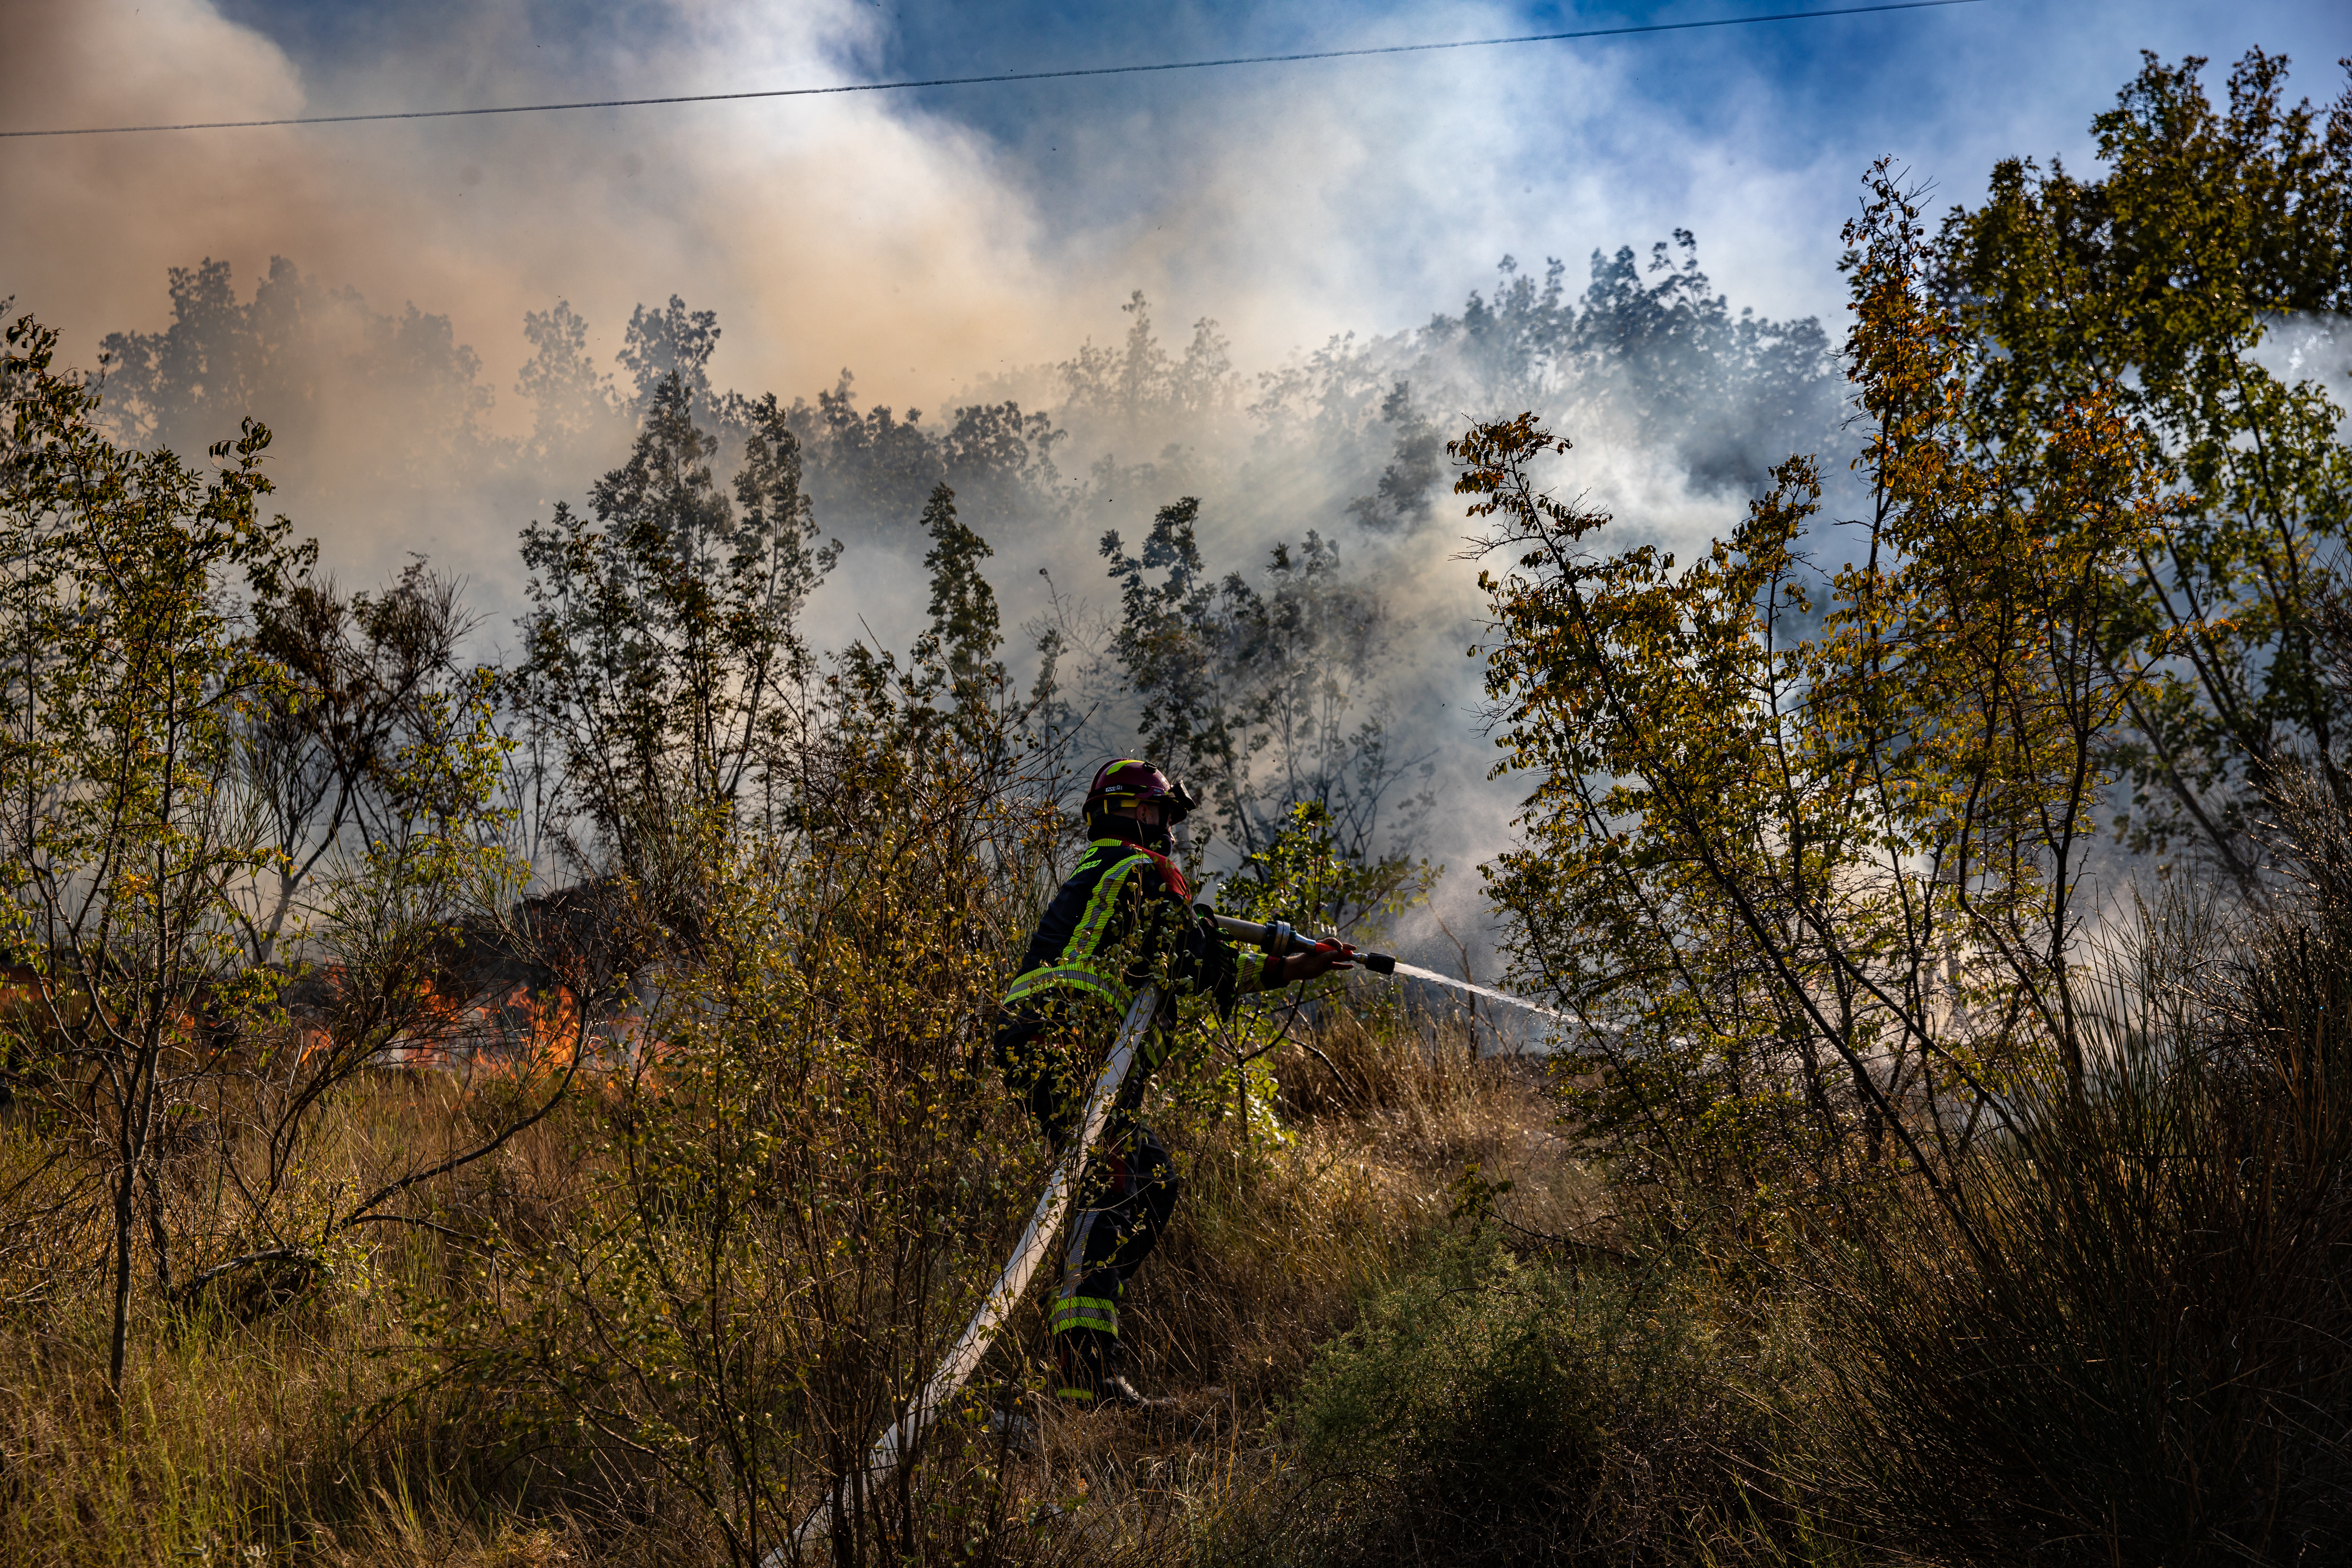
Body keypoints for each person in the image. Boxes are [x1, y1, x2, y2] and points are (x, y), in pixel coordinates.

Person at [994, 759, 1353, 1408]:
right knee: (1120, 1183)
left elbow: (1189, 958)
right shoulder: (1141, 870)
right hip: (1072, 1039)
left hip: (1052, 1044)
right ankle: (1082, 1379)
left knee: (1144, 1180)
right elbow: (1200, 956)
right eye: (1160, 813)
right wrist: (1289, 959)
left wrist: (1296, 965)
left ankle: (1080, 1345)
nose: (1168, 829)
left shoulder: (1107, 880)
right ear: (1129, 812)